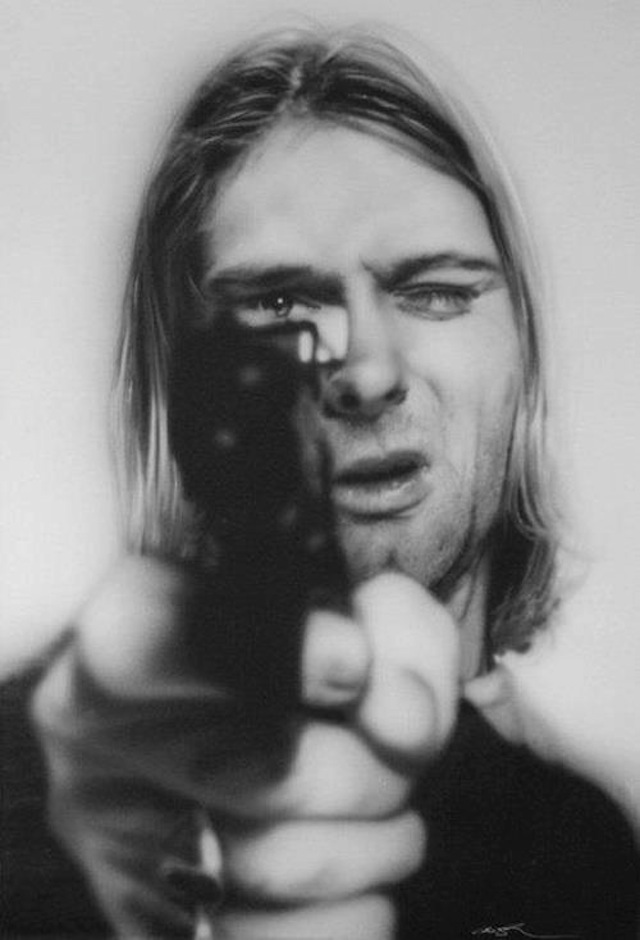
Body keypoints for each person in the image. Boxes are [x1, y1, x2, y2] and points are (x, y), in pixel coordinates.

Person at [29, 25, 640, 940]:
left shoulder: (595, 845)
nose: (367, 371)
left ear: (524, 353)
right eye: (279, 303)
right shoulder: (62, 783)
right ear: (181, 377)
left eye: (436, 290)